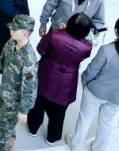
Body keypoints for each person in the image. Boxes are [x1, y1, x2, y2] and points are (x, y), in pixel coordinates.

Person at [67, 18, 119, 151]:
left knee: (85, 118)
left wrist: (84, 81)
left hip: (95, 92)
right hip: (118, 96)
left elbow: (92, 70)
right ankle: (98, 148)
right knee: (106, 123)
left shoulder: (106, 50)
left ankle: (76, 145)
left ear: (116, 31)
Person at [26, 13, 94, 146]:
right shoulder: (86, 47)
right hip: (68, 80)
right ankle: (52, 137)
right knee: (59, 111)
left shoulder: (55, 35)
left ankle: (33, 128)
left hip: (47, 73)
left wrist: (62, 32)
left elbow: (40, 49)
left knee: (39, 103)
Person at [0, 15, 38, 151]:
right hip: (5, 93)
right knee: (3, 121)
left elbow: (30, 88)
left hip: (15, 102)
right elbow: (3, 58)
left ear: (24, 33)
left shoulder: (29, 60)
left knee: (3, 127)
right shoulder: (12, 42)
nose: (11, 30)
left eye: (15, 29)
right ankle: (9, 145)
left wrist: (23, 110)